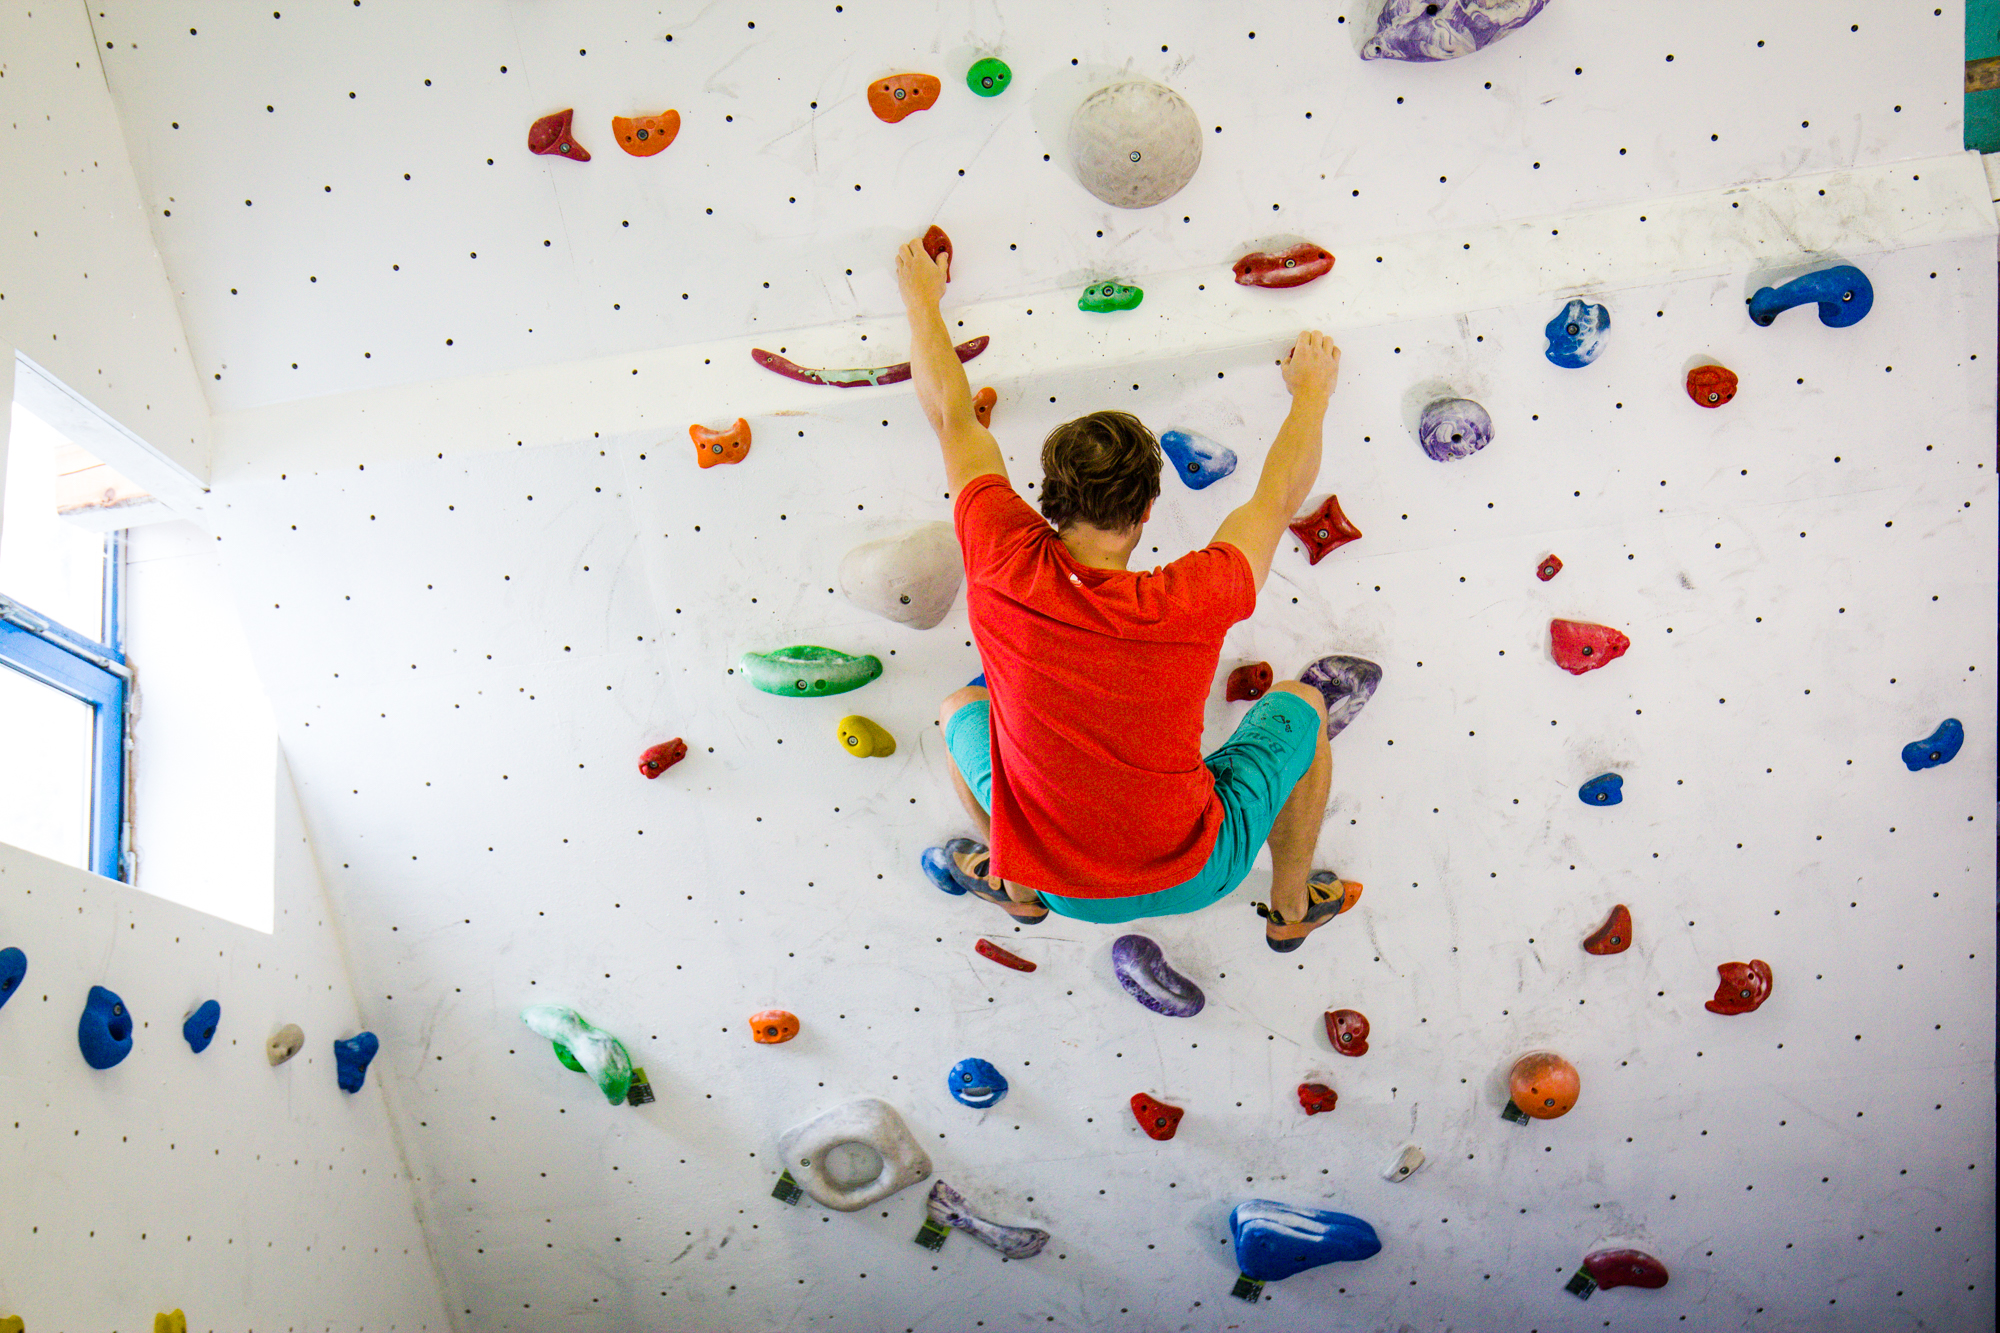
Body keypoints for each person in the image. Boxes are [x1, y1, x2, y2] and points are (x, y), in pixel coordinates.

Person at [895, 234, 1379, 952]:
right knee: (1302, 705)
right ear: (1149, 510)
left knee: (959, 708)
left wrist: (921, 301)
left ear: (1047, 499)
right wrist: (1313, 391)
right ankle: (1290, 905)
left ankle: (1016, 886)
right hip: (1199, 872)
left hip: (1062, 886)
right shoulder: (1195, 595)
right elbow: (1278, 497)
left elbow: (950, 415)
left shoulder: (1000, 552)